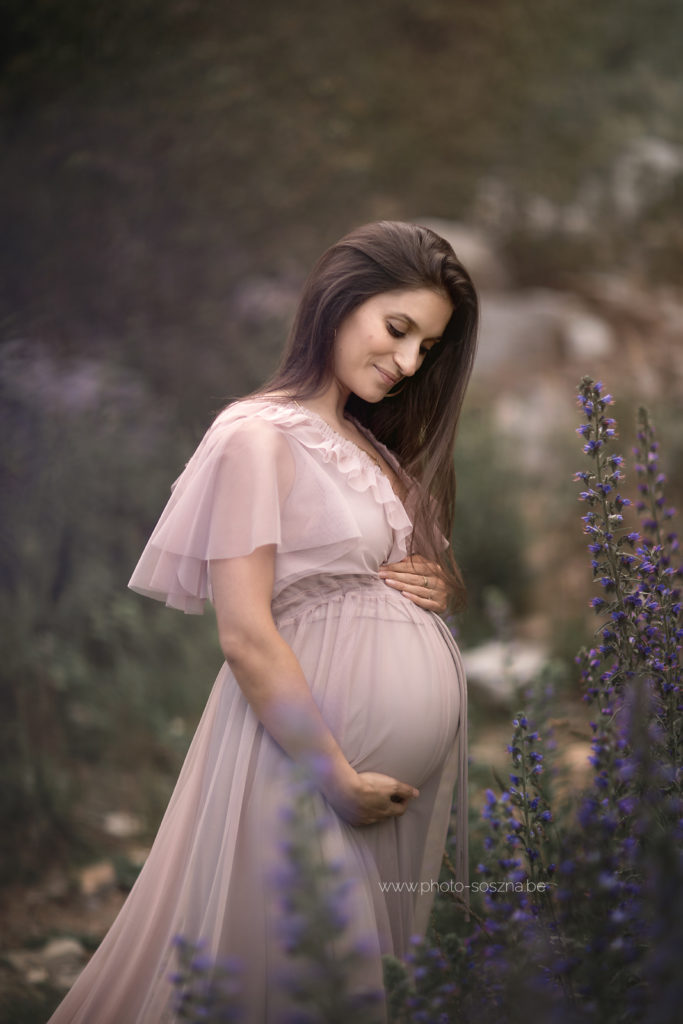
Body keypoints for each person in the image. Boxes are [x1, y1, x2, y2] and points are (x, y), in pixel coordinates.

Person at [47, 220, 478, 1022]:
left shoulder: (367, 446)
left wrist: (430, 588)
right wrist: (334, 775)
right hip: (304, 762)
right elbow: (245, 630)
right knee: (304, 983)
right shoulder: (255, 436)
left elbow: (370, 571)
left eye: (428, 346)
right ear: (341, 301)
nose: (410, 361)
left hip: (369, 791)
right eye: (398, 329)